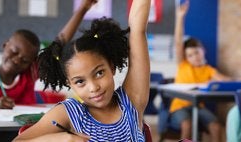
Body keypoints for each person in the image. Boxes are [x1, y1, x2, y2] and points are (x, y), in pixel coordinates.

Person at [13, 0, 150, 141]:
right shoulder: (70, 113)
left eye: (99, 73)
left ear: (112, 67)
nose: (93, 87)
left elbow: (137, 29)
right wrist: (61, 139)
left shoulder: (131, 100)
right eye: (80, 81)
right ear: (70, 84)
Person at [0, 0, 97, 109]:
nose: (17, 60)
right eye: (14, 51)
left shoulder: (29, 73)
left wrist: (83, 8)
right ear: (5, 45)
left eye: (25, 59)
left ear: (31, 63)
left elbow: (60, 42)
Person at [168, 1, 229, 141]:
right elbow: (178, 43)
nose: (194, 57)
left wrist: (219, 81)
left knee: (216, 127)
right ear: (186, 57)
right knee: (187, 125)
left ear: (203, 51)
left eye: (196, 53)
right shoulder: (184, 65)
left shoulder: (209, 70)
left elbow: (225, 80)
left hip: (198, 107)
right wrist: (180, 18)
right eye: (190, 55)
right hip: (180, 106)